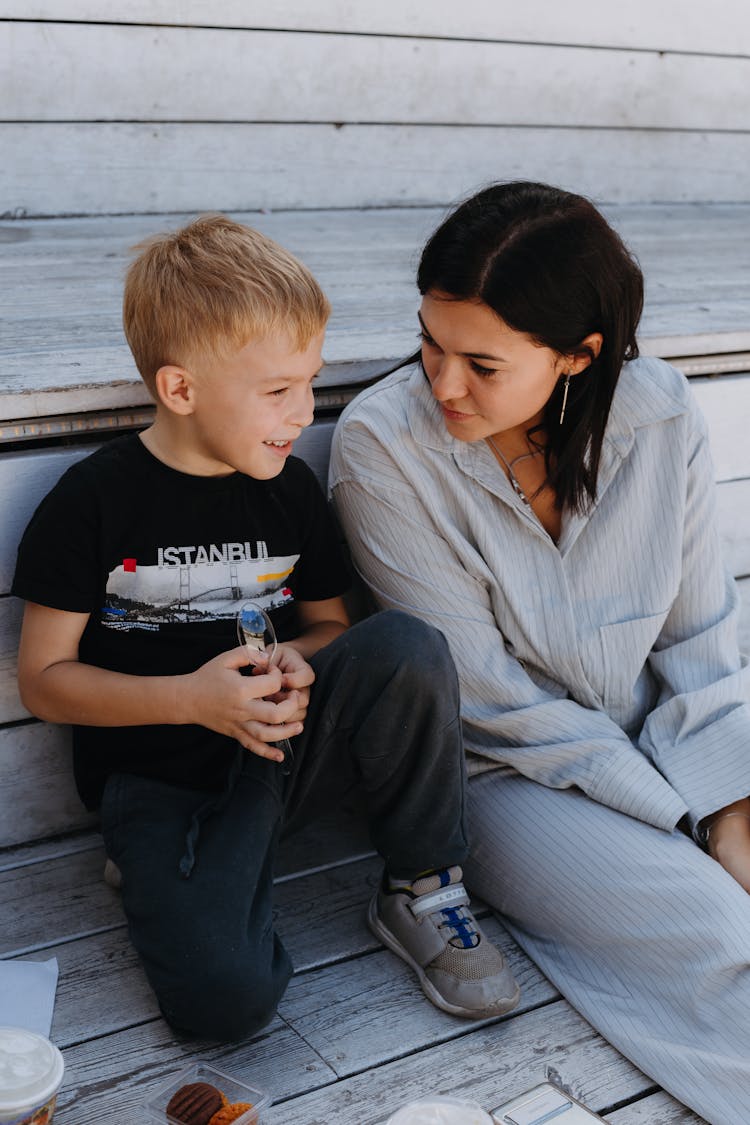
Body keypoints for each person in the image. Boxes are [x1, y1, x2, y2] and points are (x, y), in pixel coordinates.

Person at [11, 214, 520, 1042]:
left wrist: (295, 661)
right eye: (278, 390)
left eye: (310, 383)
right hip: (159, 781)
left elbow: (329, 626)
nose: (303, 412)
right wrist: (190, 698)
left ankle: (421, 881)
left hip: (280, 754)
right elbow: (43, 681)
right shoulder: (92, 504)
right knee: (224, 1005)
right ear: (180, 390)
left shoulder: (284, 491)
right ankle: (176, 872)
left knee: (408, 645)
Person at [330, 182, 750, 1123]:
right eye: (429, 343)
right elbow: (488, 699)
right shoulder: (382, 448)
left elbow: (698, 638)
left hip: (666, 730)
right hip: (508, 771)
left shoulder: (664, 414)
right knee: (720, 928)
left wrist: (731, 798)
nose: (441, 383)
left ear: (576, 355)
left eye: (480, 362)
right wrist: (693, 821)